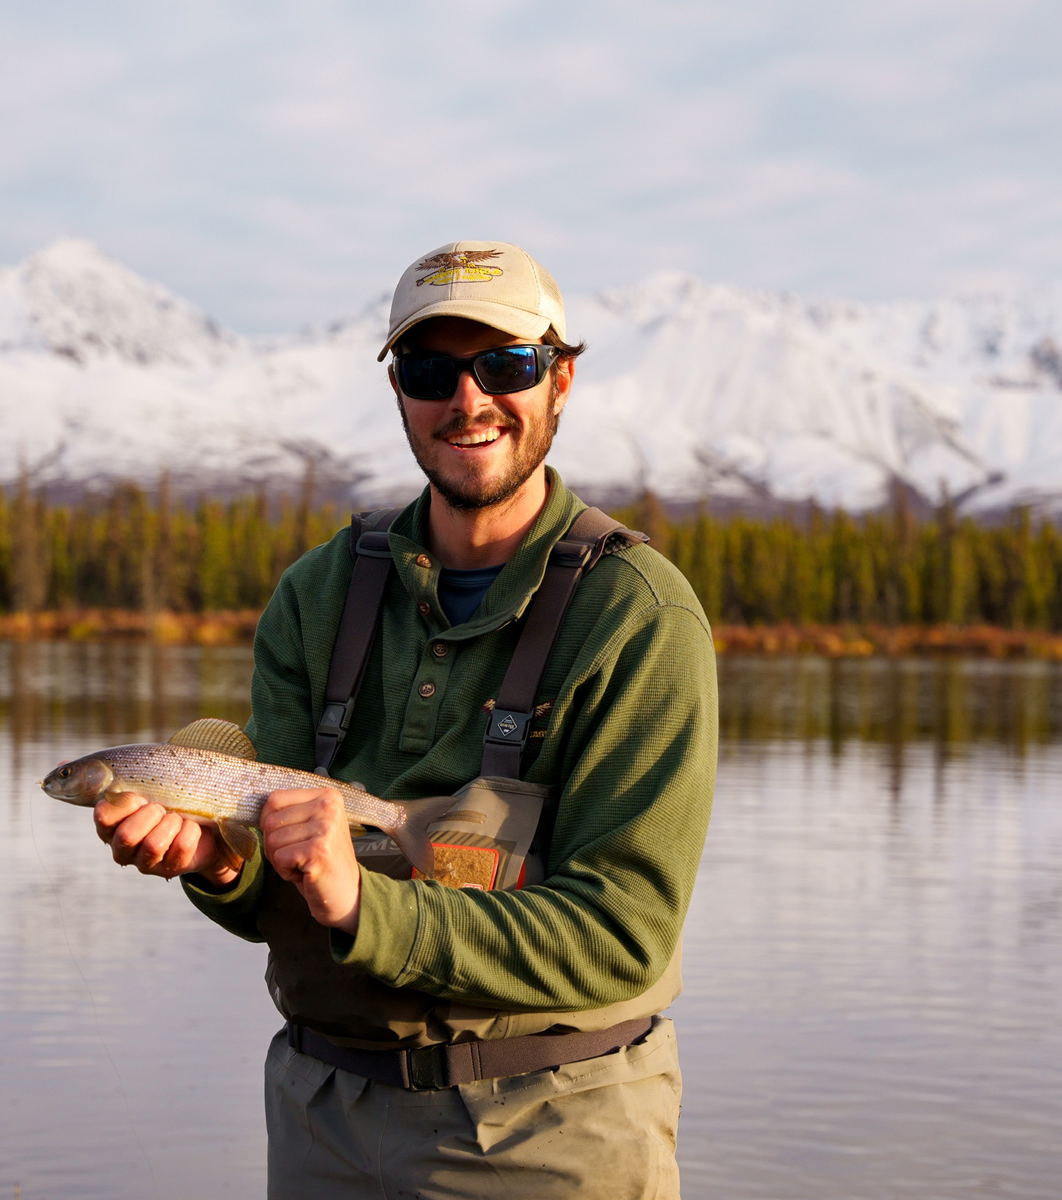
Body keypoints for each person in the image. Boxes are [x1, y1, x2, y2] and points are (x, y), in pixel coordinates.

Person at [93, 240, 717, 1198]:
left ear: (563, 379)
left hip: (553, 1135)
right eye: (431, 370)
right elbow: (269, 899)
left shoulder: (640, 615)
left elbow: (622, 935)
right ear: (398, 389)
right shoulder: (318, 593)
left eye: (504, 365)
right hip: (322, 1121)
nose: (467, 402)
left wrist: (361, 902)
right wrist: (218, 865)